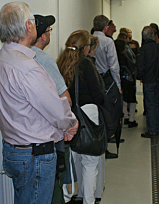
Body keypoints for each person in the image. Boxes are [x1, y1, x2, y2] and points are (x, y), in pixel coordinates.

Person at [0, 2, 78, 204]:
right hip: (34, 156)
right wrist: (71, 124)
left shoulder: (1, 59)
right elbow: (56, 110)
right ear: (29, 27)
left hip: (15, 150)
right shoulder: (27, 67)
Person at [57, 30, 105, 204]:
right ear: (85, 48)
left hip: (66, 118)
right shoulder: (86, 64)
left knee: (71, 163)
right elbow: (98, 95)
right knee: (90, 165)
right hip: (88, 115)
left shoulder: (60, 62)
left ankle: (69, 197)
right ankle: (89, 201)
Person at [30, 14, 72, 204]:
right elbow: (65, 100)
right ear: (44, 36)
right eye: (49, 30)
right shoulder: (45, 60)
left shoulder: (19, 56)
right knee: (54, 188)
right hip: (49, 138)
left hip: (27, 139)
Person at [93, 15, 123, 159]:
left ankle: (100, 141)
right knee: (109, 112)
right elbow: (114, 66)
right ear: (105, 27)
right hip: (106, 79)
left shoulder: (89, 39)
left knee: (97, 113)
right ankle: (106, 142)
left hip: (93, 79)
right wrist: (118, 85)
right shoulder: (108, 42)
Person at [136, 26, 159, 138]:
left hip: (148, 80)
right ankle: (157, 128)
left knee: (149, 105)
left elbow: (140, 66)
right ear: (153, 35)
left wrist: (139, 77)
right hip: (158, 79)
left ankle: (152, 130)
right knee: (156, 104)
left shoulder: (143, 49)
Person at [115, 33, 138, 128]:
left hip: (120, 80)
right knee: (132, 100)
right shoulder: (127, 56)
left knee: (123, 99)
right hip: (129, 79)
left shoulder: (116, 57)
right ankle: (131, 119)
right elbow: (133, 66)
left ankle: (125, 116)